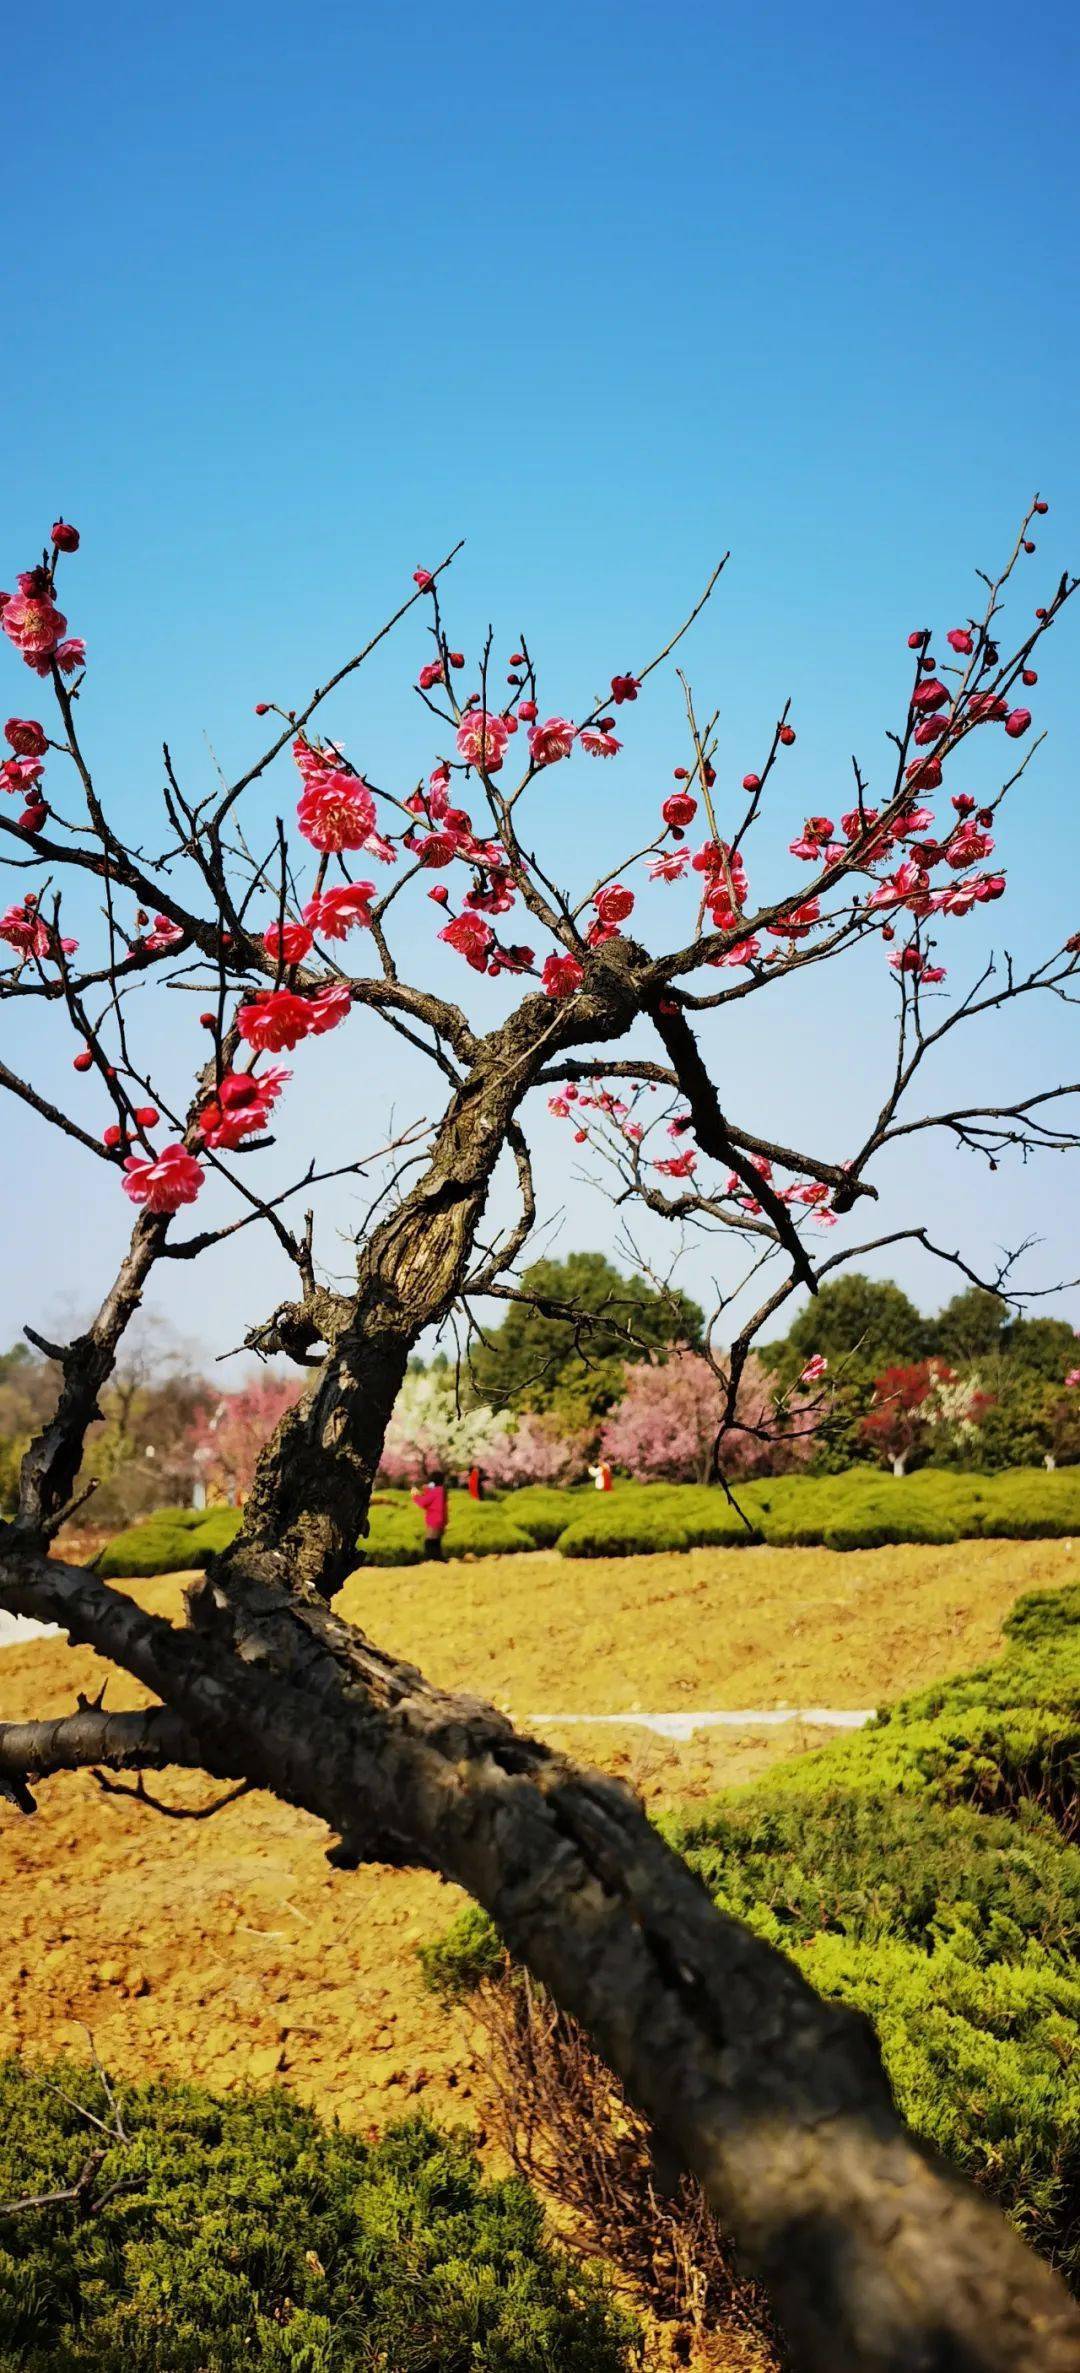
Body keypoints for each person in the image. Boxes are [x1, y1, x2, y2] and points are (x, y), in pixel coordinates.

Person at [412, 1468, 449, 1559]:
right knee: (436, 1541)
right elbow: (429, 1503)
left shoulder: (436, 1491)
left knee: (430, 1541)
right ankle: (439, 1559)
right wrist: (427, 1490)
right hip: (440, 1518)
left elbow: (423, 1502)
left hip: (434, 1518)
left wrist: (415, 1496)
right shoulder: (441, 1490)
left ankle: (432, 1559)